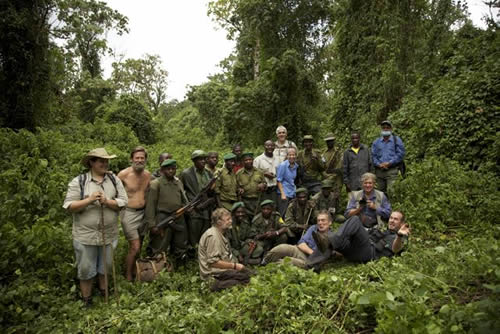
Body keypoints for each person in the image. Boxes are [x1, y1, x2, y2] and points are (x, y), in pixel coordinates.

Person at [63, 148, 128, 306]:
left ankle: (104, 291)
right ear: (91, 162)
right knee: (85, 268)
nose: (105, 164)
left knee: (106, 265)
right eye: (101, 161)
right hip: (85, 235)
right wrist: (90, 199)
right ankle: (87, 299)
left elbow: (123, 202)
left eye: (106, 161)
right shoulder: (79, 181)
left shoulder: (114, 180)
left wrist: (108, 202)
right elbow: (69, 206)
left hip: (109, 233)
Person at [309, 211, 410, 269]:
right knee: (330, 236)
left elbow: (396, 249)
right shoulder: (382, 230)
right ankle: (310, 266)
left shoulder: (401, 236)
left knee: (355, 220)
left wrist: (399, 235)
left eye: (396, 219)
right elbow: (364, 231)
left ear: (401, 223)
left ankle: (331, 241)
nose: (392, 220)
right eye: (391, 218)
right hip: (357, 249)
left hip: (370, 253)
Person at [117, 146, 151, 281]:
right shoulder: (123, 175)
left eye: (142, 158)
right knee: (135, 246)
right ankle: (128, 276)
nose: (139, 160)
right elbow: (113, 191)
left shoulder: (148, 175)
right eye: (137, 158)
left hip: (143, 213)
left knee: (140, 245)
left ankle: (136, 270)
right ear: (131, 159)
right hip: (129, 213)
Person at [144, 159, 189, 262]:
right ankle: (156, 266)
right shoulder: (156, 184)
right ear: (162, 170)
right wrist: (152, 225)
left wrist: (187, 207)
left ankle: (178, 265)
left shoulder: (178, 183)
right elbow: (150, 205)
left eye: (173, 169)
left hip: (178, 216)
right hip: (162, 217)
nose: (171, 171)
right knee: (159, 244)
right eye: (168, 169)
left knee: (180, 242)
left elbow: (183, 199)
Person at [198, 208, 251, 291]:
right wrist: (235, 266)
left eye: (230, 219)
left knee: (246, 274)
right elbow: (213, 263)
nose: (231, 221)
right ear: (219, 222)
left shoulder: (222, 233)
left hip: (221, 272)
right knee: (243, 279)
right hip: (213, 276)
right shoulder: (213, 236)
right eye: (227, 219)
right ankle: (213, 286)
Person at [263, 210, 333, 268]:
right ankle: (264, 262)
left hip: (311, 261)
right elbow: (301, 243)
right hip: (301, 251)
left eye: (323, 220)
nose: (320, 223)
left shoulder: (333, 237)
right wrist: (312, 253)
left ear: (330, 222)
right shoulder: (313, 228)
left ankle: (270, 267)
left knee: (286, 261)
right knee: (281, 248)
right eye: (318, 221)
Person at [180, 150, 214, 247]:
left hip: (206, 207)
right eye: (200, 159)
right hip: (193, 208)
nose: (203, 161)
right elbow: (180, 191)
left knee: (205, 232)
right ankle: (192, 253)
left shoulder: (208, 173)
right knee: (193, 232)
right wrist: (186, 206)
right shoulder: (186, 173)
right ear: (194, 161)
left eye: (204, 159)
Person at [371, 120, 405, 195]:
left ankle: (392, 206)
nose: (385, 129)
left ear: (391, 129)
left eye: (387, 127)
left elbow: (400, 154)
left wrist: (389, 163)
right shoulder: (376, 142)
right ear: (381, 129)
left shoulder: (397, 140)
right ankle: (380, 207)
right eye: (384, 128)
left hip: (392, 170)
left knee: (392, 192)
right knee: (379, 194)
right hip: (379, 171)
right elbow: (373, 156)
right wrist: (379, 164)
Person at [236, 152, 267, 220]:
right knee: (246, 220)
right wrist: (239, 189)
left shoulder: (259, 172)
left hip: (257, 201)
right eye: (246, 160)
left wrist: (263, 185)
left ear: (253, 160)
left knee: (257, 219)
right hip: (245, 201)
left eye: (250, 159)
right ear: (243, 162)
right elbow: (236, 186)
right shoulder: (239, 173)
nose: (248, 161)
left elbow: (265, 183)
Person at [276, 147, 298, 217]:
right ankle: (281, 227)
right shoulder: (283, 165)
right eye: (290, 155)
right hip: (284, 193)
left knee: (290, 214)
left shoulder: (296, 166)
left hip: (292, 192)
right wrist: (283, 194)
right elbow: (278, 180)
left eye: (293, 155)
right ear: (287, 156)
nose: (292, 157)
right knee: (282, 214)